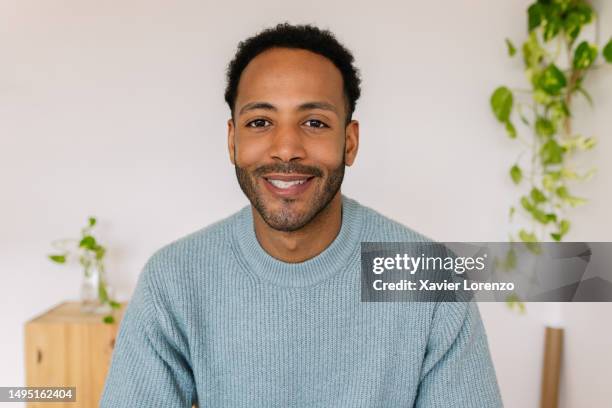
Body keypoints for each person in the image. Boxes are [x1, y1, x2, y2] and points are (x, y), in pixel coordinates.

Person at [101, 22, 503, 407]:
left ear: (349, 142)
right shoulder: (174, 279)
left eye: (314, 122)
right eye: (260, 122)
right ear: (232, 140)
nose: (287, 148)